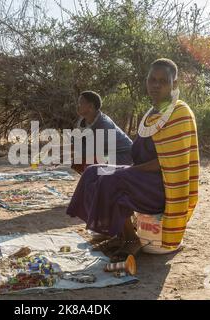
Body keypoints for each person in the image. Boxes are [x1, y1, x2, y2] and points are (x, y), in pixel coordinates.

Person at [66, 59, 200, 261]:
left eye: (163, 81)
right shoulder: (151, 114)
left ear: (175, 84)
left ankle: (131, 240)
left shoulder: (180, 113)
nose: (156, 85)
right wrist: (125, 170)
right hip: (144, 177)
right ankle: (117, 233)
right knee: (93, 172)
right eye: (152, 79)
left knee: (112, 179)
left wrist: (127, 172)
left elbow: (166, 162)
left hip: (164, 186)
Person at [70, 91, 133, 174]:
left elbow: (89, 151)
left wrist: (66, 155)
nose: (78, 106)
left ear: (90, 106)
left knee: (91, 162)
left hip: (123, 155)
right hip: (106, 153)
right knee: (77, 162)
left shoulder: (104, 124)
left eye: (81, 103)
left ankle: (99, 182)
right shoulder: (83, 121)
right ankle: (92, 181)